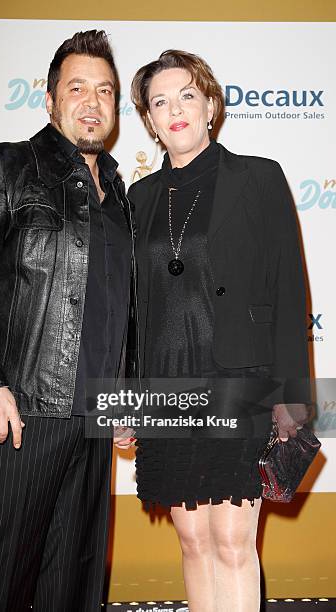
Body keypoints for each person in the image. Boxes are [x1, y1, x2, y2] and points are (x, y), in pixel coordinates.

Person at [0, 30, 137, 612]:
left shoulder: (118, 194)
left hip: (93, 422)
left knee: (72, 586)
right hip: (20, 413)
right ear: (49, 100)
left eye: (105, 91)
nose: (93, 102)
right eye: (77, 88)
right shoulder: (4, 166)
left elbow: (115, 306)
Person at [125, 50, 310, 612]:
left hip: (236, 379)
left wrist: (291, 401)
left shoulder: (258, 177)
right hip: (166, 384)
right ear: (150, 121)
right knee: (192, 540)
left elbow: (288, 292)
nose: (175, 109)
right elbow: (131, 313)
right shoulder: (138, 200)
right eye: (160, 101)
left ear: (210, 105)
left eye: (186, 95)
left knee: (232, 540)